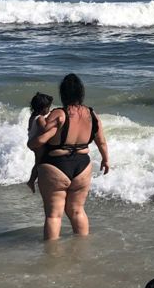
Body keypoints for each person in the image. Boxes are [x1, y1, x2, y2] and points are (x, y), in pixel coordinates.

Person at [30, 74, 111, 240]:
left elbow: (38, 143)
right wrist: (105, 159)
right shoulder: (92, 114)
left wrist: (32, 141)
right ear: (81, 92)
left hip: (56, 166)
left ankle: (51, 257)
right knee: (77, 211)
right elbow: (101, 141)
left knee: (54, 215)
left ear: (63, 93)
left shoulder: (59, 114)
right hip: (82, 166)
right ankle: (81, 250)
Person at [25, 92, 54, 193]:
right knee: (39, 162)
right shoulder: (40, 118)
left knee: (38, 162)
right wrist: (55, 123)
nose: (49, 109)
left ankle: (32, 180)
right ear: (43, 108)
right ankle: (32, 180)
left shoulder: (33, 116)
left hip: (32, 142)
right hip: (37, 144)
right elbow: (45, 129)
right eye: (48, 107)